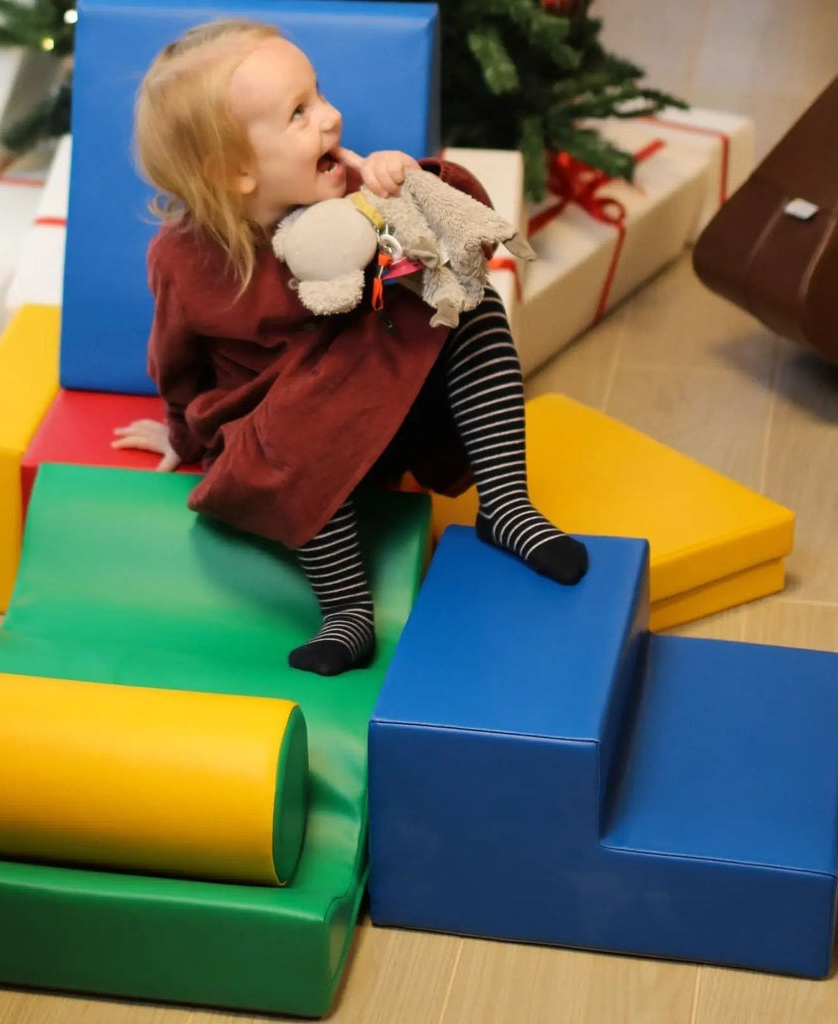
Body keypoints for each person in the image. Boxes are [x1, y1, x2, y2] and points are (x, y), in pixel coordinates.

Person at [113, 18, 588, 677]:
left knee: (471, 308)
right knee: (286, 428)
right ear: (236, 170)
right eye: (300, 113)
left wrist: (410, 182)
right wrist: (181, 434)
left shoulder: (358, 196)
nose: (332, 118)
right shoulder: (184, 259)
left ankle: (505, 504)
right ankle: (346, 611)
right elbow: (176, 360)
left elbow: (464, 245)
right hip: (294, 450)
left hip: (388, 420)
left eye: (321, 94)